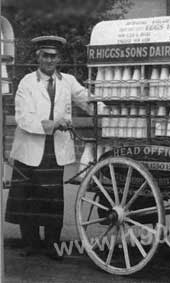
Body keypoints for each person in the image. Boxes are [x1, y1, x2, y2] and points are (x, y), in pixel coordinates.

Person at [5, 35, 93, 259]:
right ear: (38, 57)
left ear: (59, 58)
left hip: (56, 149)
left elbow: (86, 99)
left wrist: (109, 110)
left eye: (53, 56)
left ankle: (53, 245)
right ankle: (31, 244)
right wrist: (52, 124)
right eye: (45, 55)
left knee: (53, 197)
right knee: (28, 196)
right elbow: (23, 117)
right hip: (30, 147)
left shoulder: (68, 81)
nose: (49, 61)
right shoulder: (27, 82)